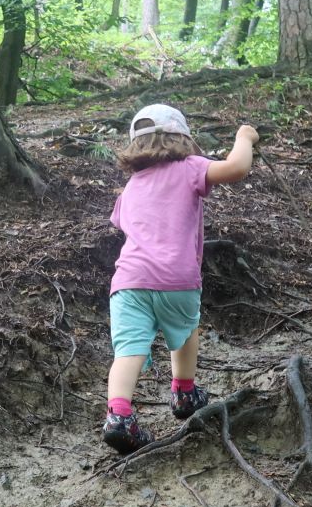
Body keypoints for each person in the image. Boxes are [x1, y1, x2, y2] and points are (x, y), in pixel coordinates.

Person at [102, 103, 260, 454]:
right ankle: (184, 392)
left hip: (128, 281)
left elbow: (123, 223)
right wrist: (244, 136)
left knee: (127, 352)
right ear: (181, 138)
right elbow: (237, 168)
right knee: (186, 329)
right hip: (177, 278)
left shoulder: (130, 187)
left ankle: (119, 417)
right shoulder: (189, 168)